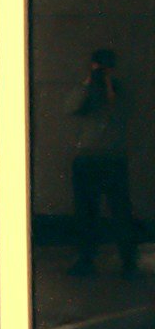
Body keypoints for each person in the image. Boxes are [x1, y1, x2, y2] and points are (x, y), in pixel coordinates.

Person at [65, 49, 137, 276]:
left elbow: (122, 113)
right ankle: (87, 259)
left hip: (109, 157)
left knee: (120, 212)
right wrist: (88, 85)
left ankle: (128, 261)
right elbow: (70, 108)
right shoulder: (86, 91)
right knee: (87, 213)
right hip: (89, 157)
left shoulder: (119, 90)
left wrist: (107, 88)